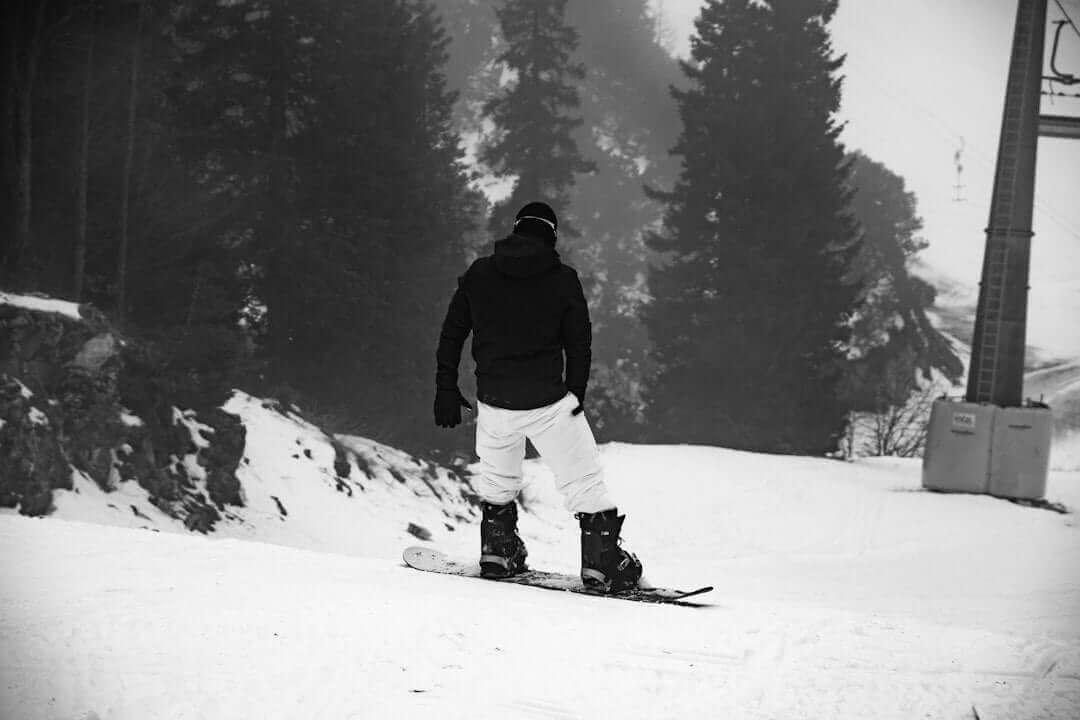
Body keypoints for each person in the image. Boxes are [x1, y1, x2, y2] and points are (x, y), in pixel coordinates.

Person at [434, 201, 643, 593]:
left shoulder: (480, 274)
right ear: (551, 235)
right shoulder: (563, 279)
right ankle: (601, 564)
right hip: (548, 403)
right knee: (583, 481)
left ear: (516, 230)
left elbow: (452, 332)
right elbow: (579, 342)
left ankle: (498, 550)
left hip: (494, 402)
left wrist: (446, 387)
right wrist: (576, 392)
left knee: (498, 481)